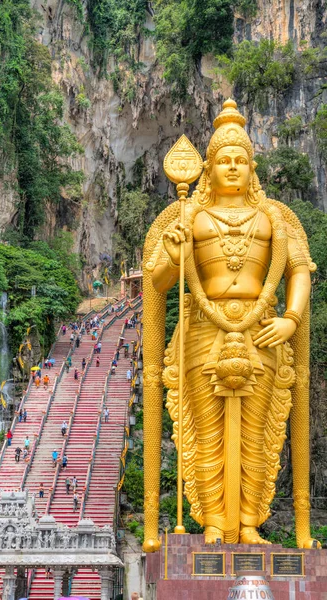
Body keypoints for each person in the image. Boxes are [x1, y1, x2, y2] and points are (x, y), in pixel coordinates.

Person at [143, 99, 318, 549]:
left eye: (241, 160)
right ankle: (214, 524)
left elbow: (299, 269)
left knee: (258, 434)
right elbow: (158, 280)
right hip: (204, 329)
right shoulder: (189, 216)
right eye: (224, 160)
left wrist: (291, 319)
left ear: (253, 166)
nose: (234, 167)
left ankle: (249, 524)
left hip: (263, 331)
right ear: (209, 168)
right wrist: (179, 251)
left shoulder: (274, 217)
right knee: (207, 431)